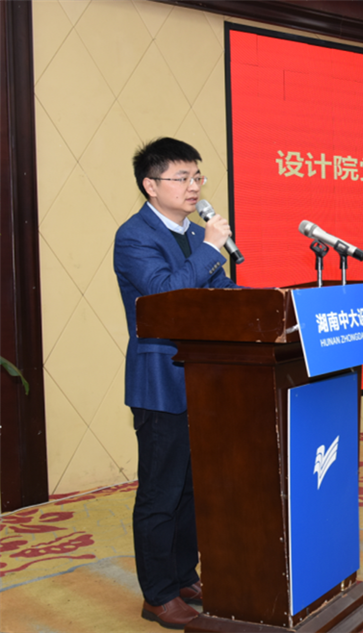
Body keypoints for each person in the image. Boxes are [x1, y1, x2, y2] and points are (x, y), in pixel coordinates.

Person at [115, 137, 237, 629]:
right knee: (161, 493)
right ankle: (158, 595)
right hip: (161, 380)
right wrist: (209, 249)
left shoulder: (193, 235)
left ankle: (184, 575)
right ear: (151, 185)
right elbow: (166, 296)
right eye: (181, 177)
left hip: (202, 378)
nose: (193, 186)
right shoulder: (135, 236)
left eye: (197, 176)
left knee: (191, 490)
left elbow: (219, 291)